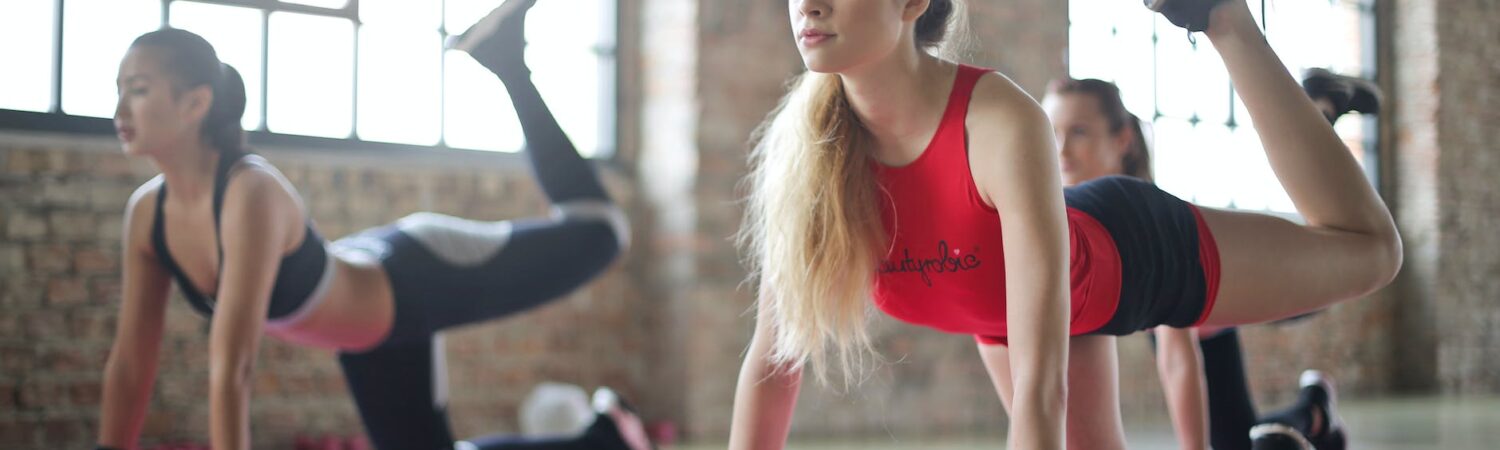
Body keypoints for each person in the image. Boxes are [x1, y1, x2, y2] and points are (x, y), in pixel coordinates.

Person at [729, 0, 1401, 448]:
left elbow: (1040, 392)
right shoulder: (809, 154)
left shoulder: (997, 120)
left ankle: (1224, 19)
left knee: (1372, 254)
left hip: (1123, 254)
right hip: (1000, 315)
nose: (807, 4)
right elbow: (773, 360)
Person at [94, 1, 643, 449]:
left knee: (603, 233)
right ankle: (606, 436)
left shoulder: (248, 192)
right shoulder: (148, 214)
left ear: (195, 104)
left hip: (415, 275)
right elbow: (131, 362)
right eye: (118, 88)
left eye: (137, 90)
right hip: (366, 332)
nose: (119, 108)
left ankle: (508, 65)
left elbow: (232, 367)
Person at [1043, 72, 1379, 449]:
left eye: (1079, 132)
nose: (1061, 149)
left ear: (1122, 139)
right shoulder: (1082, 219)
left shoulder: (1140, 220)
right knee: (1238, 440)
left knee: (1340, 238)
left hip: (1265, 277)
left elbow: (1176, 357)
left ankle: (1319, 108)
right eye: (1052, 132)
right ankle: (1314, 410)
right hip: (1215, 315)